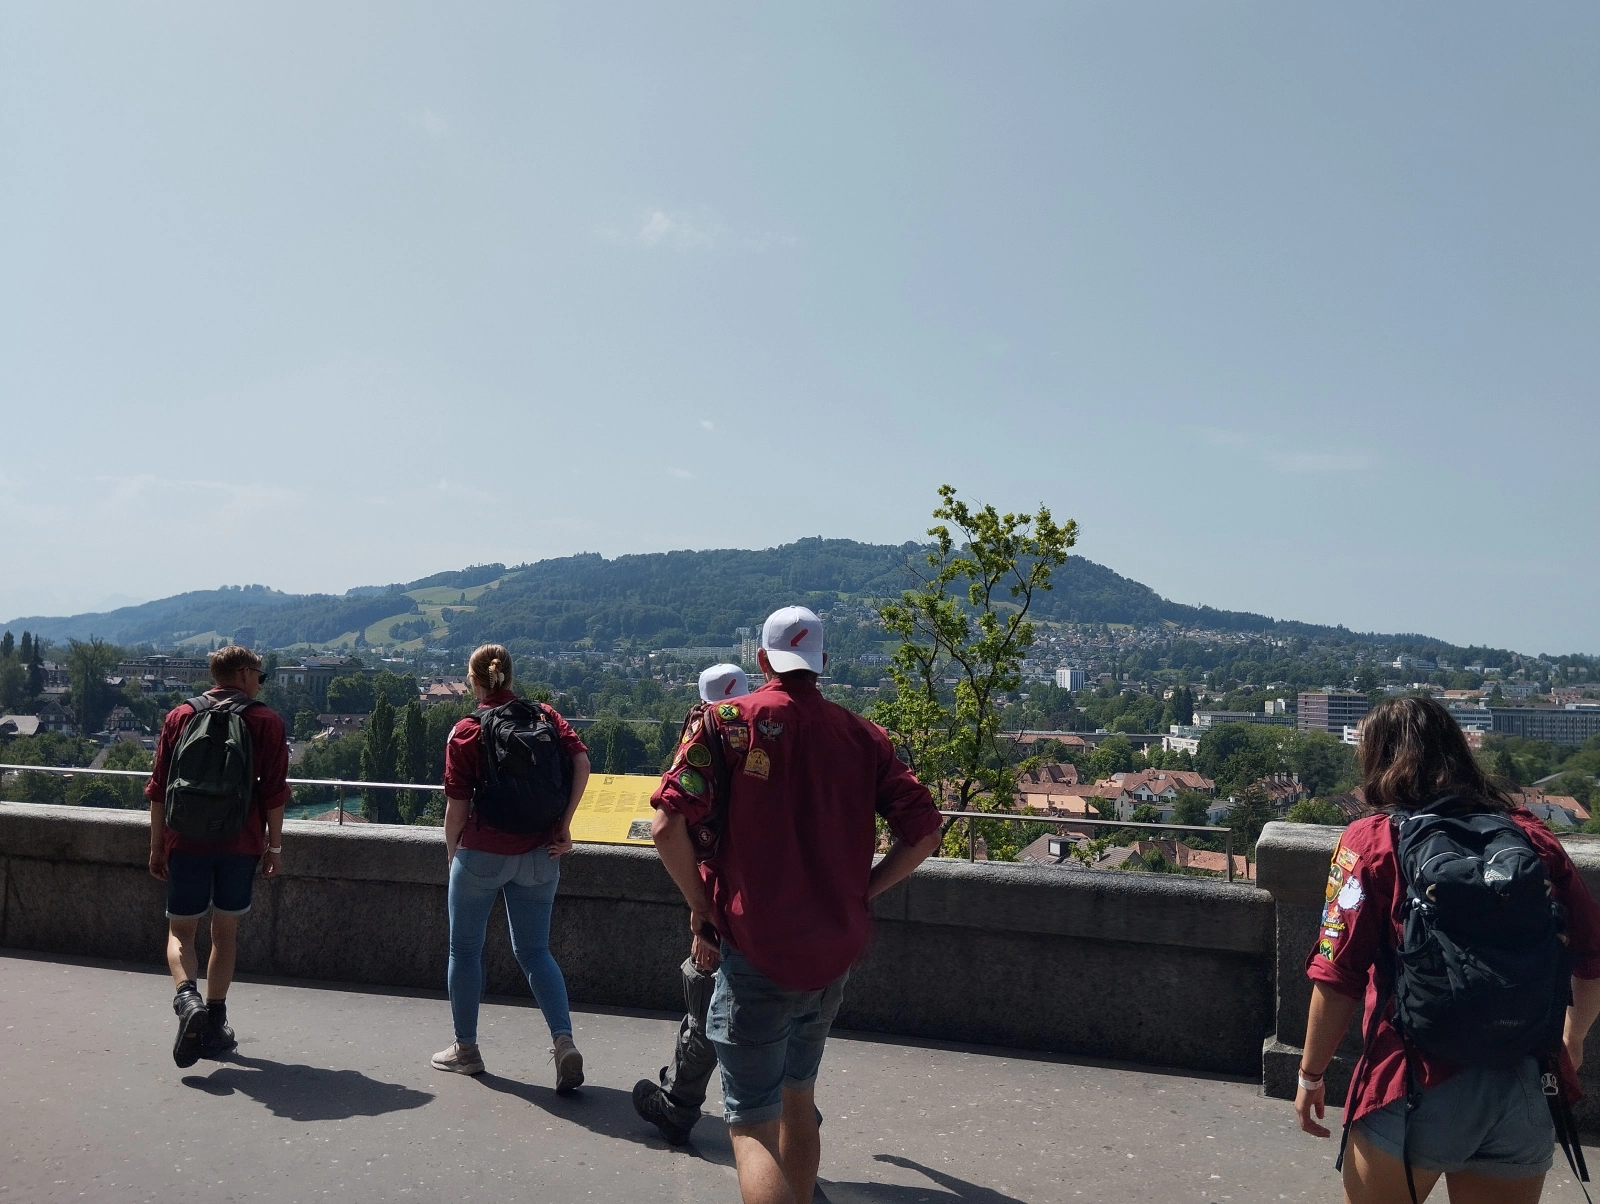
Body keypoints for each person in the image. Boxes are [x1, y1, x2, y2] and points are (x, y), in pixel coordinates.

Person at [650, 607, 942, 1204]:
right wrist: (862, 890)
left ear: (762, 660)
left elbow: (665, 826)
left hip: (758, 947)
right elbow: (927, 832)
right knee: (798, 1100)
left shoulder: (727, 722)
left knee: (750, 1124)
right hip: (832, 953)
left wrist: (703, 907)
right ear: (823, 664)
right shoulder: (865, 736)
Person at [1294, 695, 1600, 1203]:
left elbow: (1336, 973)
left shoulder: (1371, 841)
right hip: (1522, 1083)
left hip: (1412, 1083)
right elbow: (1591, 956)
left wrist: (1310, 1075)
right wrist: (1573, 1040)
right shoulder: (1531, 837)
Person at [432, 643, 592, 1094]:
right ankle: (563, 1041)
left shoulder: (466, 730)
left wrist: (454, 856)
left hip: (483, 852)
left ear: (473, 680)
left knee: (464, 951)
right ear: (511, 675)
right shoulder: (545, 715)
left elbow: (456, 808)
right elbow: (581, 762)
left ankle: (467, 1050)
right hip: (542, 852)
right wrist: (564, 824)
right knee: (535, 951)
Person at [146, 645, 287, 1068]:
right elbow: (274, 793)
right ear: (244, 673)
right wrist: (274, 847)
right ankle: (216, 1020)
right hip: (239, 843)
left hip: (184, 840)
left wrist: (156, 845)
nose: (260, 682)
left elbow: (157, 790)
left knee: (180, 932)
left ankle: (187, 1000)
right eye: (260, 675)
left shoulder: (179, 716)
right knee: (225, 933)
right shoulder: (265, 721)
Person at [632, 662, 751, 1143]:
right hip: (778, 901)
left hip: (722, 900)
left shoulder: (704, 741)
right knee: (776, 1015)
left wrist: (702, 916)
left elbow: (671, 829)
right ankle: (796, 1114)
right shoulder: (768, 738)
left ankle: (679, 1107)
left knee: (707, 1009)